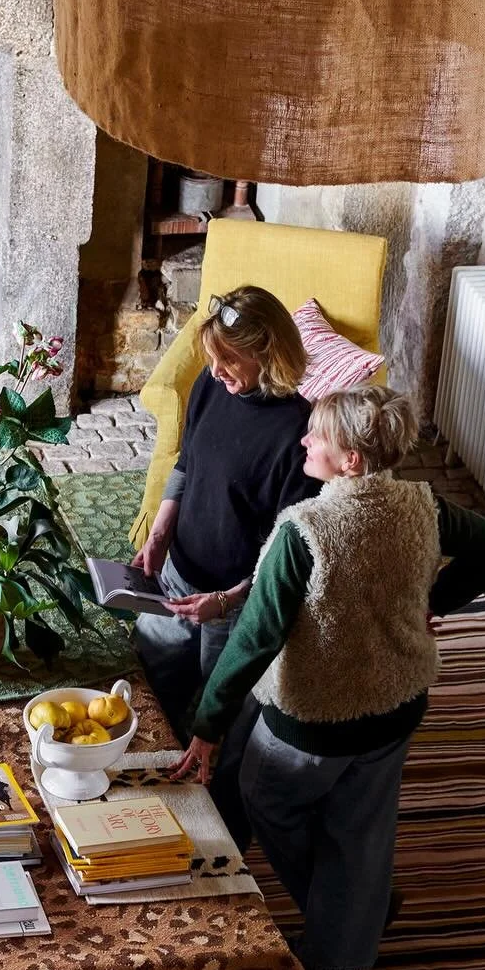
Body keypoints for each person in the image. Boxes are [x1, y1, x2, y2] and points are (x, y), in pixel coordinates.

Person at [170, 384, 485, 970]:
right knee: (361, 822)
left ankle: (339, 947)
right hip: (398, 703)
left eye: (317, 434)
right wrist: (430, 603)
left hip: (316, 717)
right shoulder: (422, 505)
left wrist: (207, 727)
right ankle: (363, 909)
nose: (303, 439)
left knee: (267, 798)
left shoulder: (303, 533)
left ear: (351, 460)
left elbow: (254, 640)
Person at [132, 287, 318, 746]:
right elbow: (186, 461)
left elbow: (287, 552)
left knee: (225, 725)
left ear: (268, 353)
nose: (216, 370)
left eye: (230, 359)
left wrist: (230, 600)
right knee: (149, 693)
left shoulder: (301, 435)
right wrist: (160, 530)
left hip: (232, 606)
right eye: (213, 357)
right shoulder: (210, 386)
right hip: (175, 576)